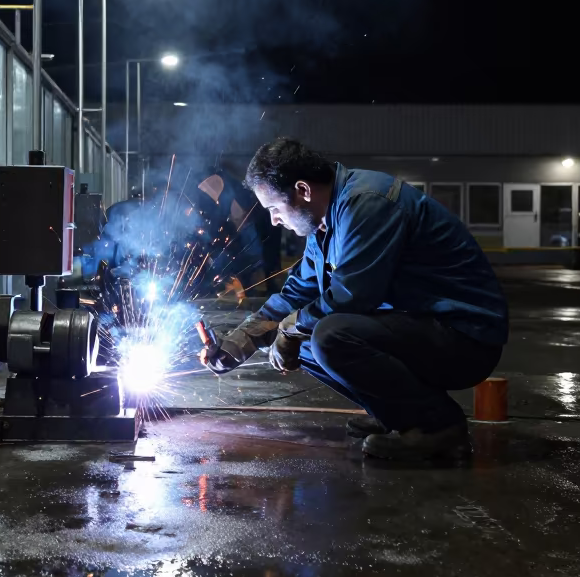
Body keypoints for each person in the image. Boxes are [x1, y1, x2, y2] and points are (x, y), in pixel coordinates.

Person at [198, 138, 508, 460]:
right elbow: (297, 293)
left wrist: (290, 329)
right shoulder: (323, 224)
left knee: (330, 334)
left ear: (303, 190)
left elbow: (353, 296)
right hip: (420, 327)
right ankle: (400, 416)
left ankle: (438, 428)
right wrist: (238, 344)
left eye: (275, 208)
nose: (274, 220)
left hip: (465, 338)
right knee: (305, 338)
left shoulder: (367, 203)